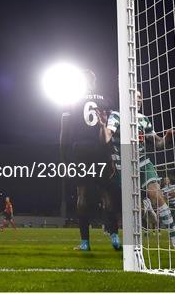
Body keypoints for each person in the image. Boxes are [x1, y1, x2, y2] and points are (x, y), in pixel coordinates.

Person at [99, 90, 175, 252]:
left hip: (142, 163)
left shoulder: (143, 119)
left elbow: (158, 144)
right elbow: (105, 139)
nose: (139, 100)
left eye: (141, 97)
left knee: (157, 196)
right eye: (136, 96)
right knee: (133, 209)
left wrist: (167, 136)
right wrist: (102, 125)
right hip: (123, 167)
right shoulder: (116, 116)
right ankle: (127, 239)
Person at [60, 69, 120, 251]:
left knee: (82, 194)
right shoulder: (106, 100)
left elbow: (64, 132)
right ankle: (115, 237)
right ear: (94, 82)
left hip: (80, 150)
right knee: (107, 194)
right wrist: (110, 155)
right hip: (100, 149)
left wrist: (63, 158)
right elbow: (108, 130)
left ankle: (85, 242)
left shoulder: (73, 101)